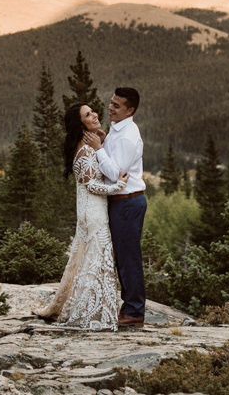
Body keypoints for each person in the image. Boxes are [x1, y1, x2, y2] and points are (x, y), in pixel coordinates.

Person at [40, 103, 132, 329]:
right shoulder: (86, 150)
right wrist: (117, 186)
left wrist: (100, 139)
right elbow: (90, 184)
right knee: (96, 260)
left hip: (89, 211)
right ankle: (88, 311)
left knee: (87, 260)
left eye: (92, 111)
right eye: (87, 114)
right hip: (93, 212)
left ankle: (83, 306)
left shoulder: (87, 145)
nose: (94, 115)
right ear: (79, 123)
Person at [95, 86, 146, 327]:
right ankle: (130, 307)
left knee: (128, 258)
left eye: (117, 105)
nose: (110, 108)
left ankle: (135, 311)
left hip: (127, 201)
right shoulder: (118, 130)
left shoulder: (127, 135)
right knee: (123, 257)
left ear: (130, 110)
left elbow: (116, 174)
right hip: (121, 202)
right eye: (111, 102)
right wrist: (104, 142)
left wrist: (97, 148)